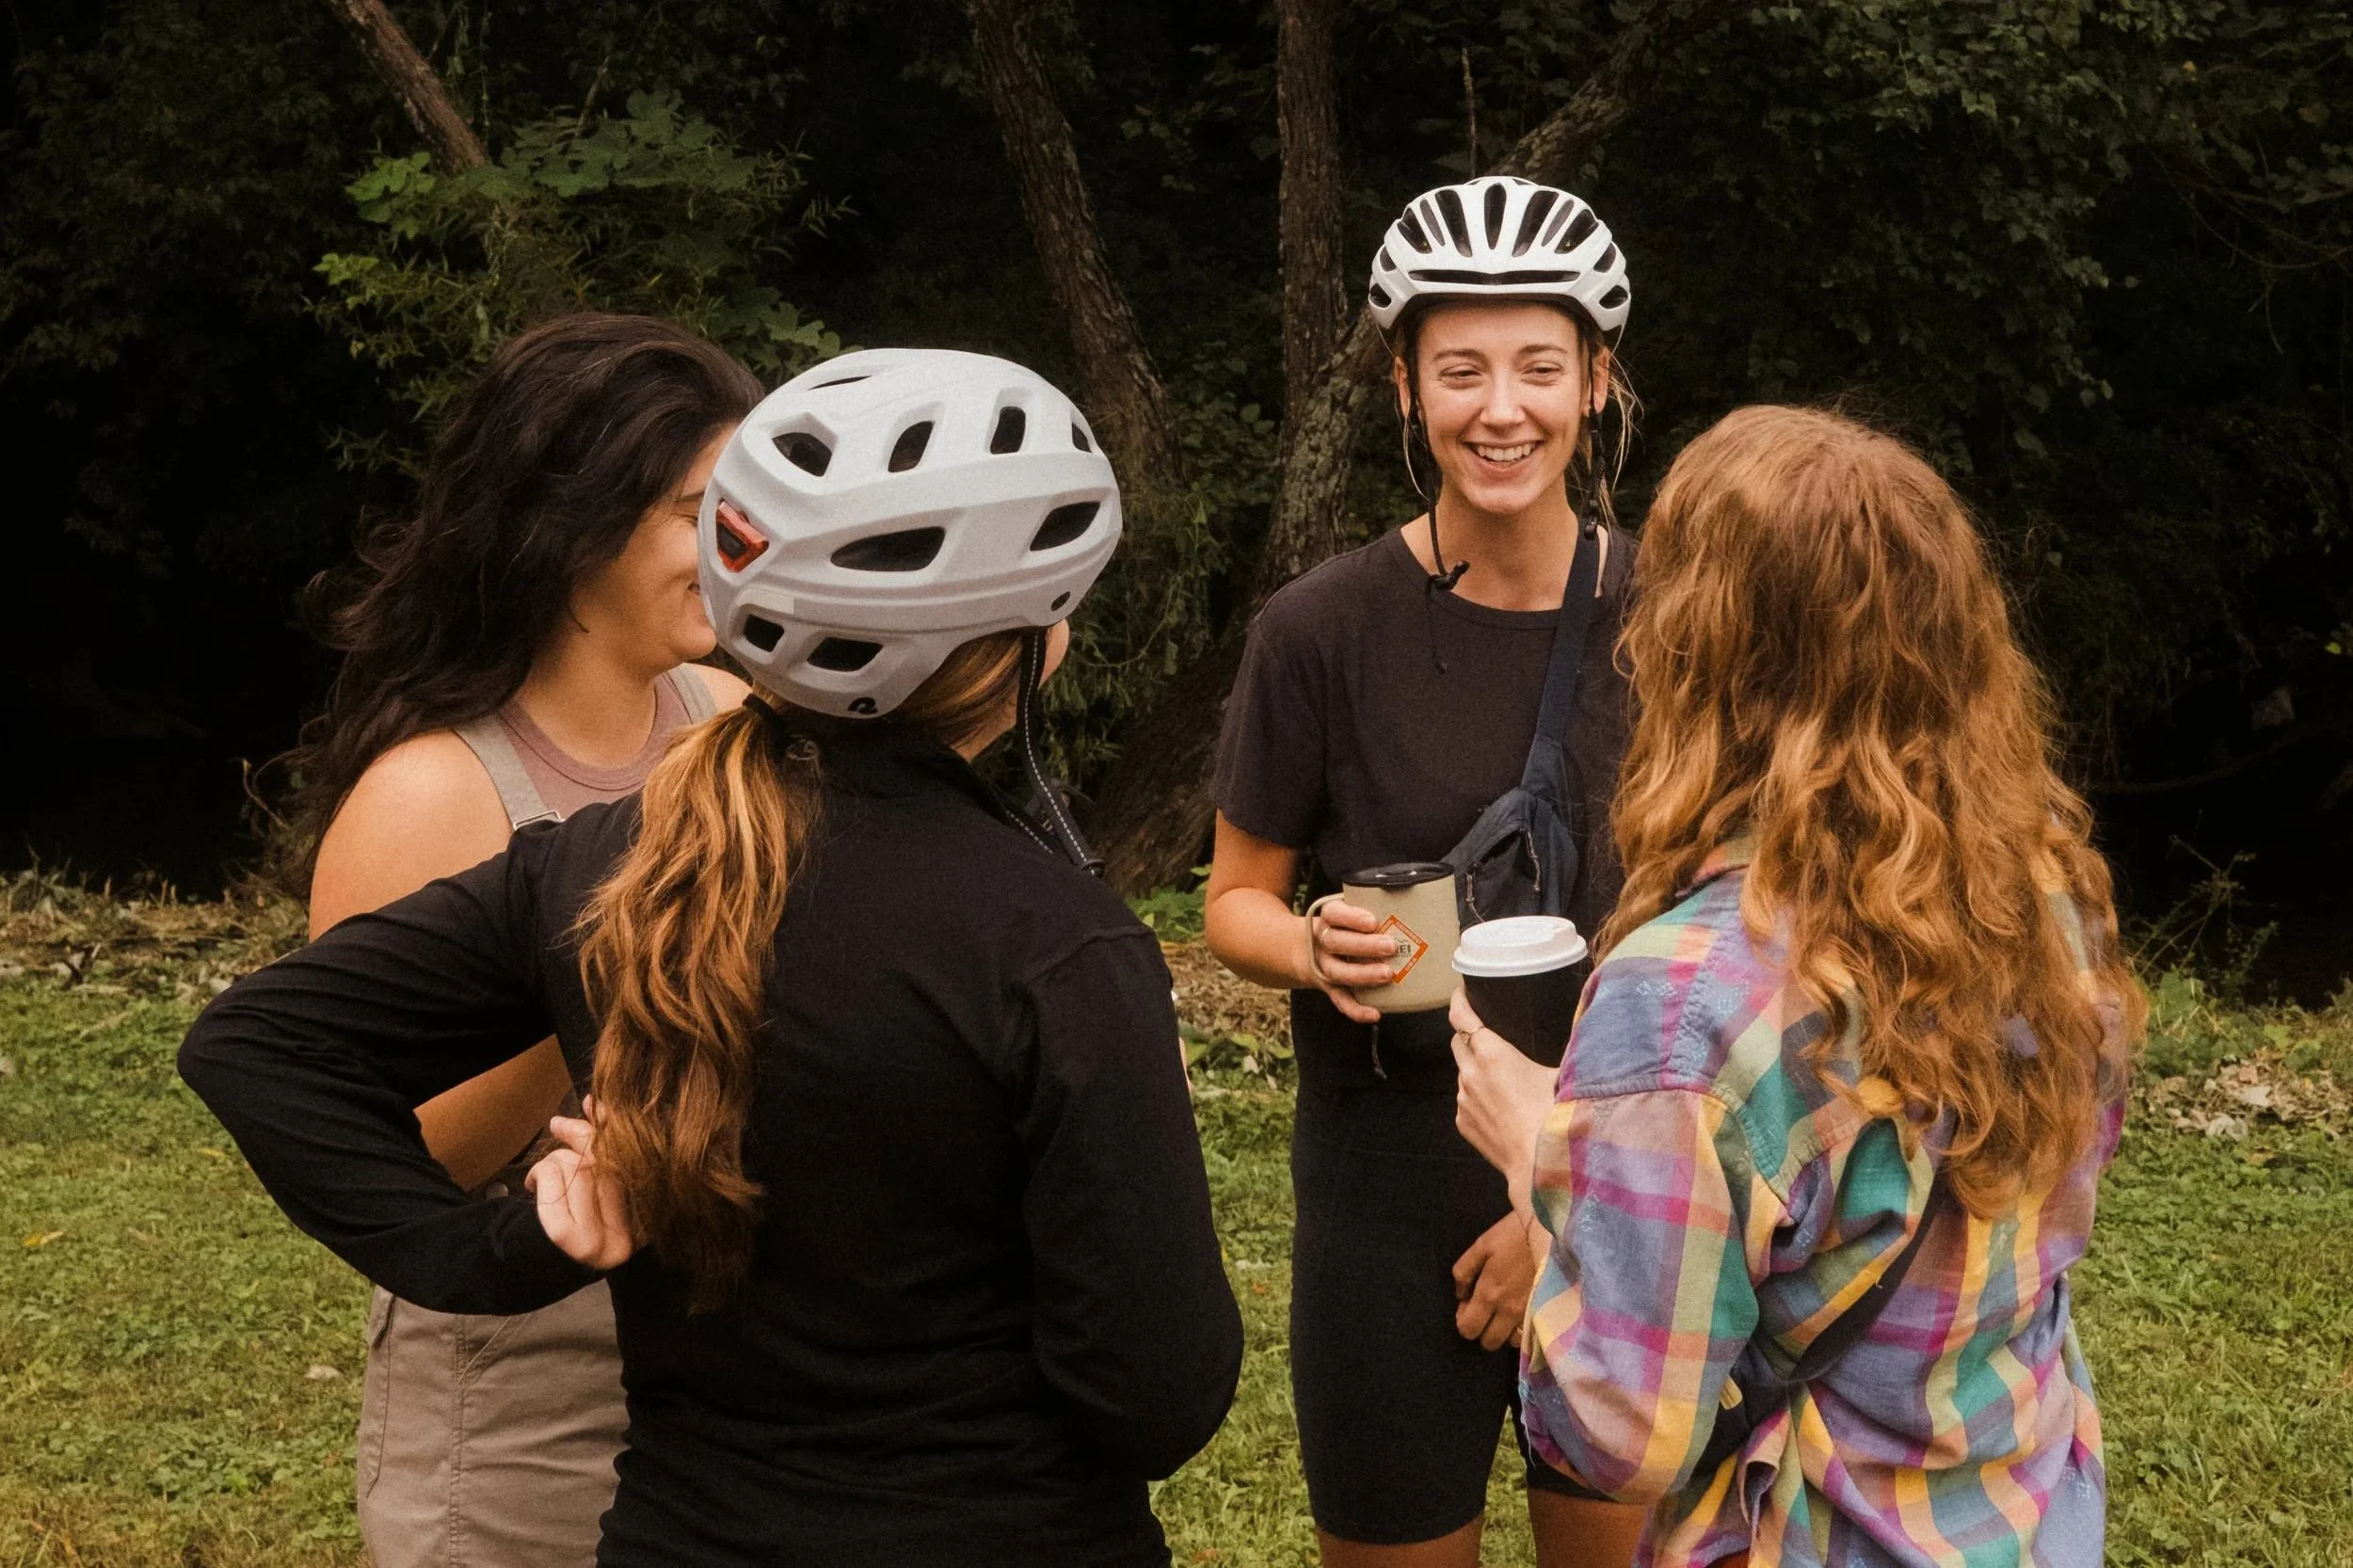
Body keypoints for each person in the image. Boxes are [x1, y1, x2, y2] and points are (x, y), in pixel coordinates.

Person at [184, 347, 1244, 1568]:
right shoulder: (1059, 944)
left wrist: (487, 1255)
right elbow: (1157, 1395)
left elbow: (255, 1042)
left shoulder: (603, 861)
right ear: (1028, 638)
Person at [1449, 406, 2142, 1567]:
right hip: (2020, 1518)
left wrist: (1539, 1160)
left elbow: (1618, 1437)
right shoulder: (2047, 894)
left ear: (1698, 651)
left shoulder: (1683, 1004)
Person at [1202, 176, 1649, 1567]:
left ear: (1595, 381)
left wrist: (1554, 1209)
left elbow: (1729, 930)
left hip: (1626, 1182)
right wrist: (1307, 945)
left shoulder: (1675, 618)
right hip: (1385, 1187)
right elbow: (1233, 901)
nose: (1500, 408)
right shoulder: (1318, 630)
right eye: (1461, 370)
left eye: (1538, 367)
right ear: (1405, 385)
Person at [285, 312, 760, 1568]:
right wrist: (596, 963)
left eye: (748, 508)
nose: (739, 546)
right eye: (698, 513)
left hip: (732, 1356)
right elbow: (409, 1150)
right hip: (523, 1384)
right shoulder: (429, 794)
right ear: (574, 525)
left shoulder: (729, 716)